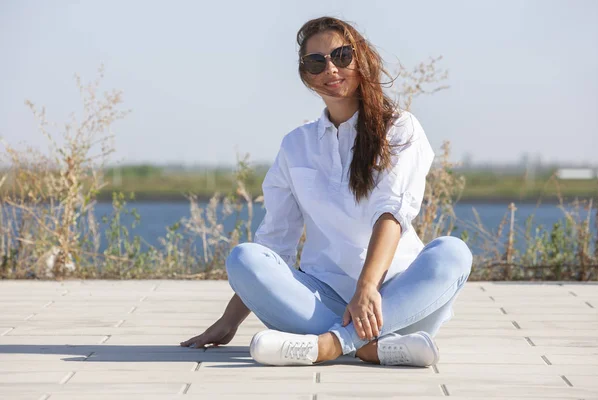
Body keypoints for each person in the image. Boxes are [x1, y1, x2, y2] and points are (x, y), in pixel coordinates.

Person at [180, 16, 472, 367]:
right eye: (316, 62)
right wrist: (229, 323)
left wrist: (366, 289)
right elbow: (276, 242)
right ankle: (372, 349)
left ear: (361, 57)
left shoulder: (400, 128)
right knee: (245, 258)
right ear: (306, 75)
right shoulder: (296, 145)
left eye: (342, 56)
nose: (330, 69)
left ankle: (330, 345)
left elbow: (391, 213)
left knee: (453, 253)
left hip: (395, 299)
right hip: (319, 299)